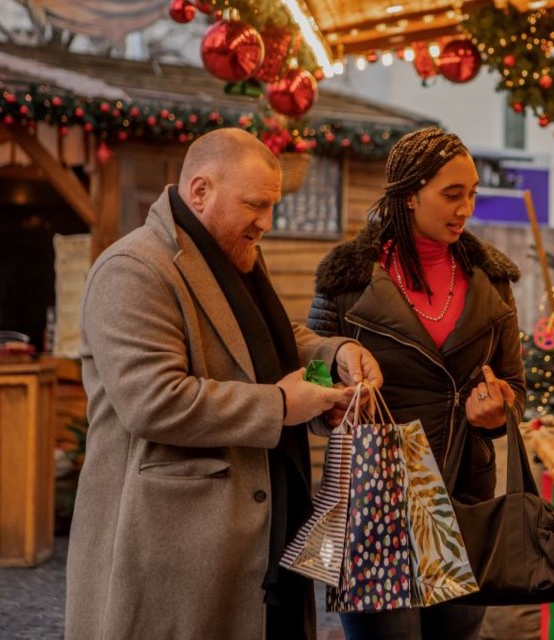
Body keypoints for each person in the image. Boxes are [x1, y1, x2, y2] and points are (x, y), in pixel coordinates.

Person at [65, 128, 382, 640]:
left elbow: (269, 341)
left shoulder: (236, 254)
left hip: (262, 546)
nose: (267, 223)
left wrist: (333, 353)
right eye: (255, 205)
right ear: (200, 192)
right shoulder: (132, 269)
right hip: (176, 556)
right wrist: (280, 405)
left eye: (272, 206)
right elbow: (154, 401)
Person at [308, 126, 526, 640]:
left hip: (462, 497)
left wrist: (498, 412)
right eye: (452, 194)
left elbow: (514, 382)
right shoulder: (346, 278)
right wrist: (331, 404)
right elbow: (313, 369)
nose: (465, 208)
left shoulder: (490, 280)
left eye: (471, 194)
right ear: (410, 194)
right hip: (374, 497)